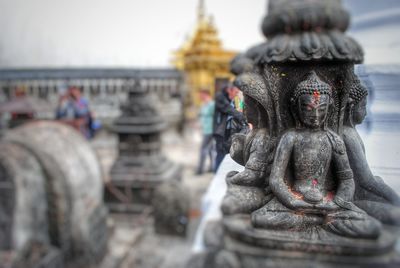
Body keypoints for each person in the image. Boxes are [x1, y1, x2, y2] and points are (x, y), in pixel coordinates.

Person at [213, 85, 247, 172]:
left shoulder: (233, 99)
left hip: (227, 131)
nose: (236, 95)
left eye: (237, 93)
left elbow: (239, 109)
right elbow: (229, 109)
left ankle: (222, 172)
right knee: (221, 154)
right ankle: (217, 173)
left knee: (226, 153)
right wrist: (241, 117)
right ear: (229, 90)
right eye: (235, 92)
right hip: (220, 131)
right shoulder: (220, 97)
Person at [196, 89, 215, 175]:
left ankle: (200, 169)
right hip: (205, 129)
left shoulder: (212, 104)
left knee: (203, 149)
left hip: (210, 130)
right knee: (210, 149)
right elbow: (202, 116)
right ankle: (212, 167)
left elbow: (215, 118)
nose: (199, 96)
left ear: (205, 94)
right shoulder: (203, 104)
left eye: (200, 94)